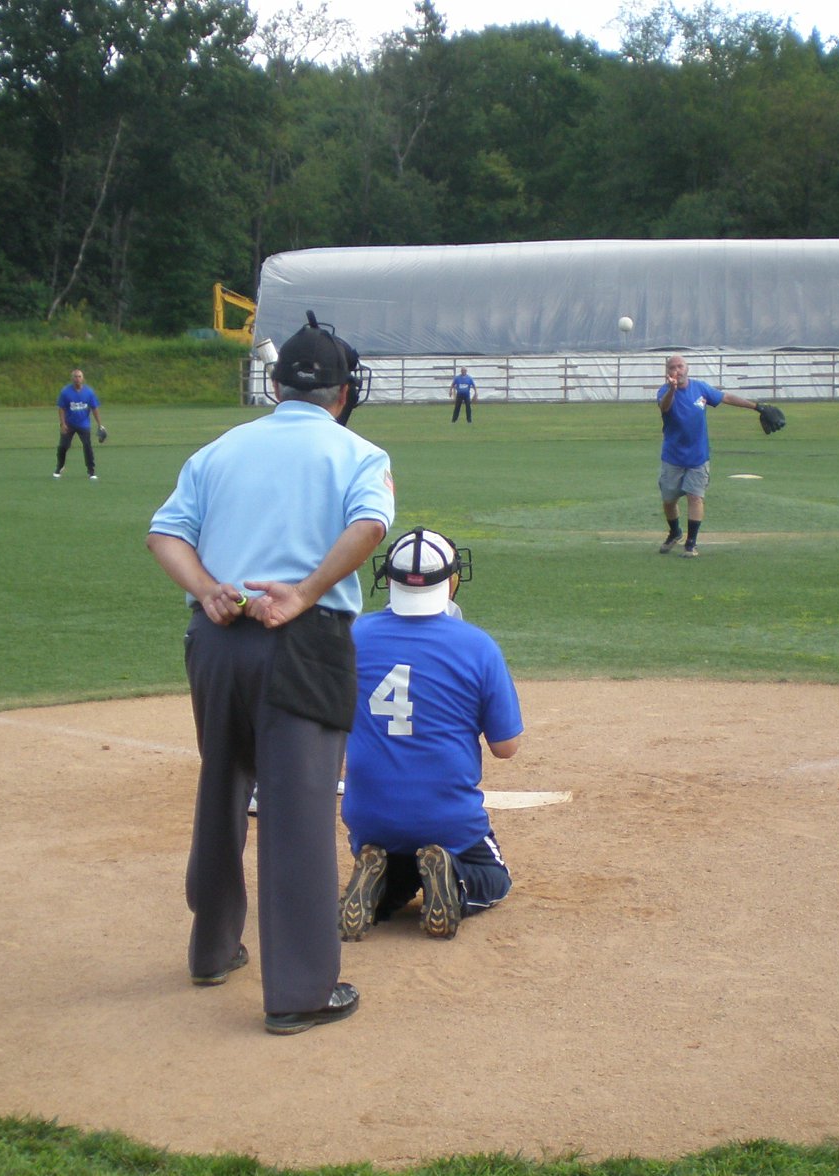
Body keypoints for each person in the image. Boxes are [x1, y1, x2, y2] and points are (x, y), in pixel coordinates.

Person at [146, 313, 394, 1035]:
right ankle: (300, 992)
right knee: (298, 811)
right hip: (303, 639)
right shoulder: (358, 452)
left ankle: (213, 948)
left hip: (216, 637)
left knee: (222, 785)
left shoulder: (219, 449)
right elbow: (370, 526)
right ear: (343, 393)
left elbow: (166, 534)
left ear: (277, 382)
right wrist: (308, 590)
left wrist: (211, 585)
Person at [339, 527, 523, 942]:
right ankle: (456, 881)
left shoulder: (353, 637)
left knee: (399, 871)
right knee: (495, 878)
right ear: (452, 580)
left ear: (388, 578)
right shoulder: (476, 646)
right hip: (448, 819)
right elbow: (506, 748)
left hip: (370, 816)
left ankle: (381, 886)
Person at [655, 354, 765, 557]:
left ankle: (691, 543)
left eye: (680, 366)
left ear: (687, 368)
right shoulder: (664, 391)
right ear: (667, 372)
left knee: (695, 497)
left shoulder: (700, 388)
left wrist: (757, 407)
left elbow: (726, 398)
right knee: (669, 500)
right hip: (673, 457)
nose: (677, 370)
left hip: (698, 456)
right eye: (672, 367)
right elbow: (665, 407)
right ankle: (675, 532)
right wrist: (672, 389)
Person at [55, 368, 104, 481]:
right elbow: (61, 408)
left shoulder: (89, 392)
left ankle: (91, 471)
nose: (77, 379)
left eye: (79, 376)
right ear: (72, 378)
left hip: (84, 424)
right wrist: (62, 424)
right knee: (63, 446)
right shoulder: (65, 392)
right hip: (69, 424)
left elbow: (94, 408)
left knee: (87, 447)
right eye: (75, 376)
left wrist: (99, 424)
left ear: (83, 378)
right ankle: (59, 467)